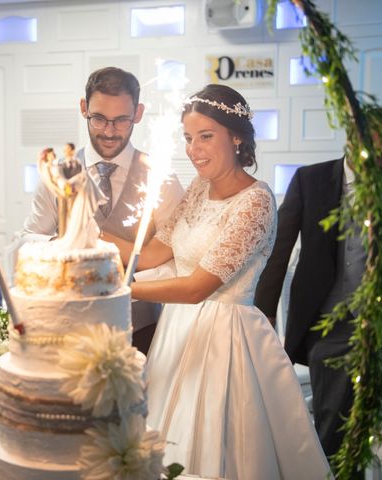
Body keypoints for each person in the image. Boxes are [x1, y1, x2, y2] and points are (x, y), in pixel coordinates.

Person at [102, 84, 330, 478]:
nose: (194, 149)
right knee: (162, 439)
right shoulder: (196, 190)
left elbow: (196, 289)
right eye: (189, 138)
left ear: (236, 137)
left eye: (206, 136)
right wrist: (89, 235)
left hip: (225, 340)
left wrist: (119, 290)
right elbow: (156, 252)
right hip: (177, 333)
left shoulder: (257, 201)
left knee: (219, 448)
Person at [254, 108, 382, 478]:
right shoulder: (310, 181)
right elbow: (280, 247)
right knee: (332, 422)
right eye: (378, 153)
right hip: (327, 319)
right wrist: (264, 310)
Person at [17, 66, 184, 354]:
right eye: (99, 119)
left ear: (139, 113)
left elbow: (179, 258)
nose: (109, 131)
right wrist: (64, 243)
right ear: (84, 108)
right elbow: (26, 239)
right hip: (67, 328)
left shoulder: (162, 178)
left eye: (121, 120)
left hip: (144, 331)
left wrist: (131, 282)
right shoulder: (57, 175)